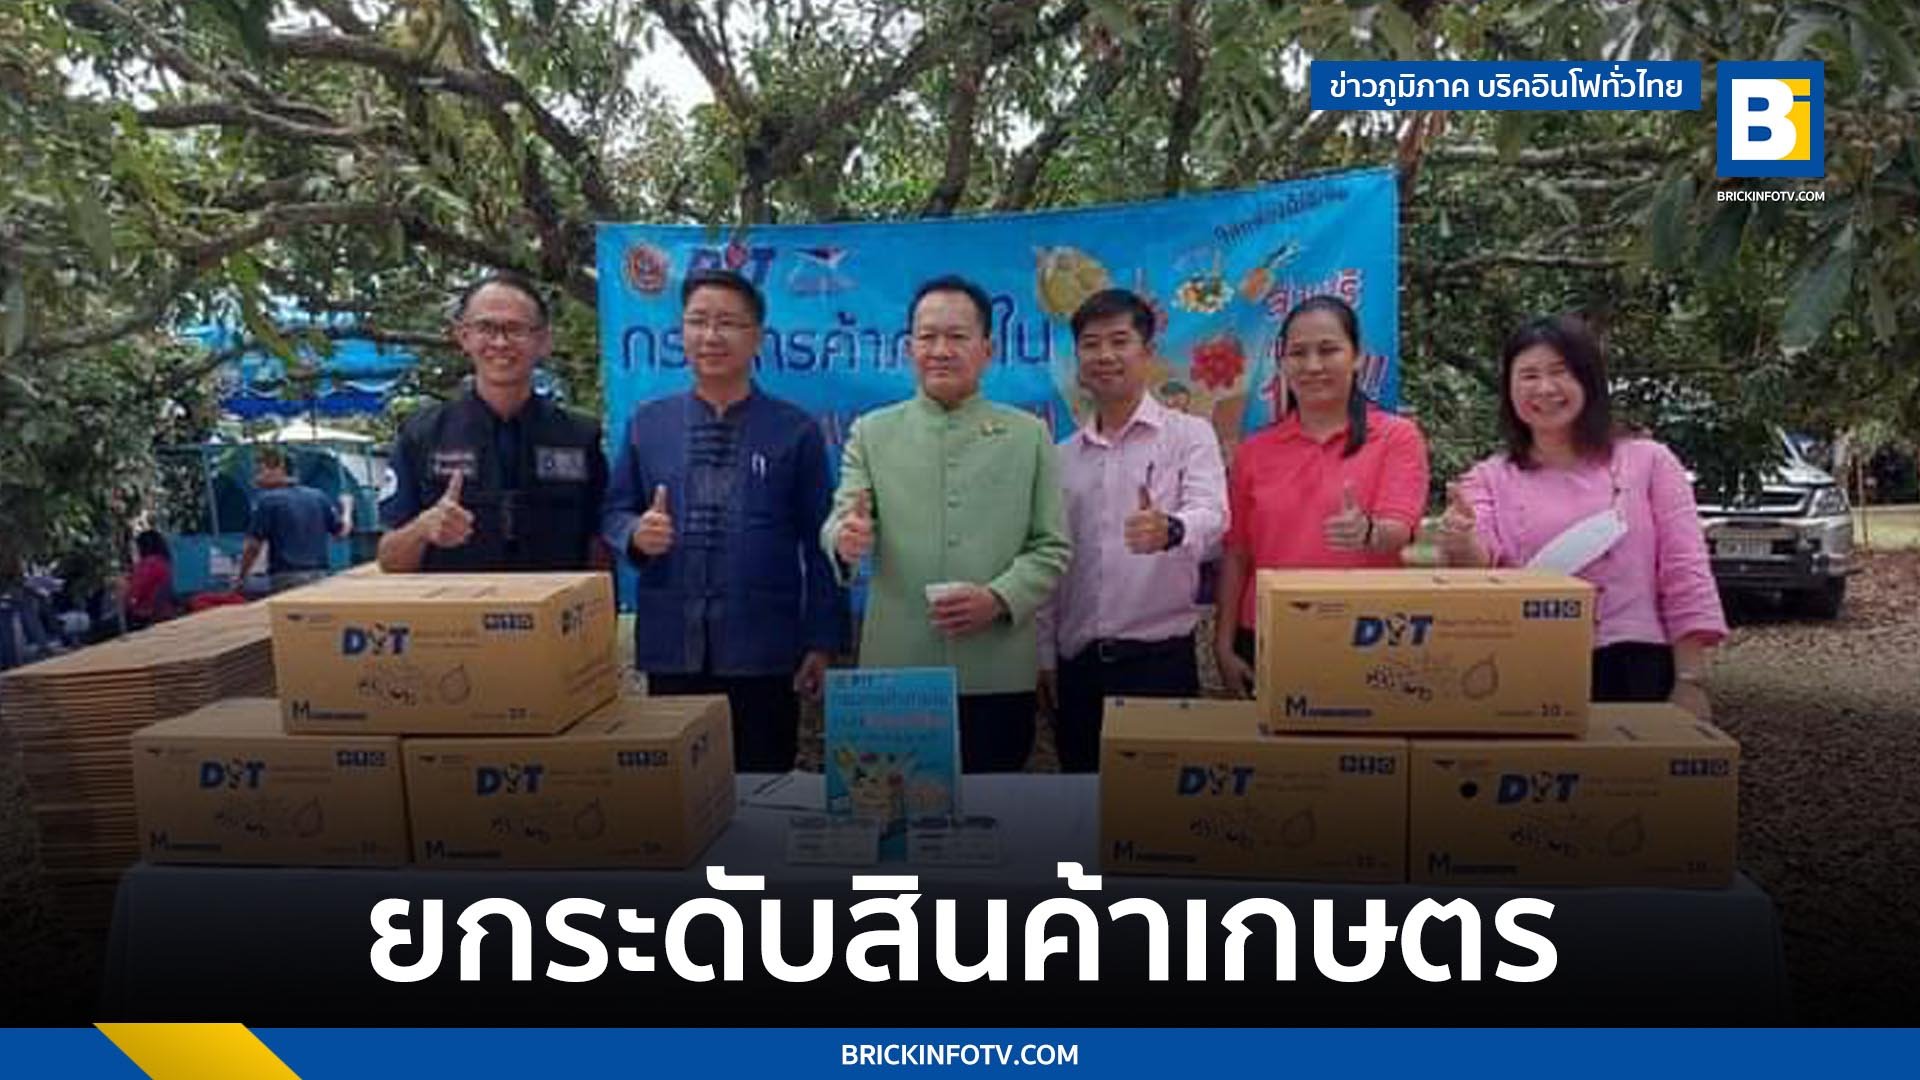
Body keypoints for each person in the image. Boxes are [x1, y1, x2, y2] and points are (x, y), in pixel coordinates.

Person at [601, 269, 848, 773]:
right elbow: (613, 512)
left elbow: (822, 540)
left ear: (757, 338)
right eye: (698, 321)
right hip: (674, 645)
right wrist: (636, 535)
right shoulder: (648, 424)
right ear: (681, 333)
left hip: (765, 650)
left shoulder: (794, 430)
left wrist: (822, 641)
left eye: (728, 323)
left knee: (764, 789)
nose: (711, 336)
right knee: (679, 790)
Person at [823, 275, 1072, 772]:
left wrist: (998, 598)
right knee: (891, 810)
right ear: (908, 348)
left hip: (997, 671)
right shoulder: (872, 432)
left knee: (994, 808)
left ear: (988, 349)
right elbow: (842, 517)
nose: (940, 350)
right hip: (897, 674)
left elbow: (1052, 547)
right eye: (927, 336)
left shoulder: (1028, 435)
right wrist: (844, 539)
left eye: (957, 336)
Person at [1437, 315, 1725, 717]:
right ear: (1509, 389)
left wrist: (1690, 681)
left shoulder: (1649, 462)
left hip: (1635, 665)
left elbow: (1685, 572)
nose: (1545, 388)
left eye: (1560, 372)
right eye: (1529, 375)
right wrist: (1461, 539)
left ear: (1589, 380)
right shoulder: (1488, 477)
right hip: (1528, 665)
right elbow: (1480, 562)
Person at [1038, 289, 1227, 772]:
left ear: (1148, 352)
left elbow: (1213, 516)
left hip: (1159, 665)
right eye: (1091, 344)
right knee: (1080, 803)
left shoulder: (1190, 435)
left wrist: (1172, 529)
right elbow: (1050, 562)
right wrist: (1044, 655)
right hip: (1079, 667)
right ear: (1078, 359)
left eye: (1119, 341)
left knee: (1158, 808)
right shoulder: (1060, 458)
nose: (1104, 355)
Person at [1214, 295, 1431, 696]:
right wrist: (1223, 645)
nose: (1312, 365)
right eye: (1298, 353)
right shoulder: (1254, 451)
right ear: (1282, 363)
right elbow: (1237, 554)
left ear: (1357, 357)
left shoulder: (1397, 437)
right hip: (1266, 634)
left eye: (1328, 350)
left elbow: (1398, 530)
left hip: (1366, 636)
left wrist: (1368, 532)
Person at [378, 272, 608, 572]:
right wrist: (423, 529)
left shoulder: (581, 437)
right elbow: (389, 559)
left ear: (544, 341)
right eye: (485, 328)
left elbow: (601, 551)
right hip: (456, 602)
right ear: (464, 337)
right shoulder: (421, 435)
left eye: (515, 329)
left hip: (552, 601)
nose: (500, 342)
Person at [233, 446, 348, 593]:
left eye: (260, 471)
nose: (255, 478)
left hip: (286, 578)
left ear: (279, 469)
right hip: (320, 576)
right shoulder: (318, 496)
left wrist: (242, 576)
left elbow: (253, 546)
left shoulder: (268, 501)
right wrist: (347, 509)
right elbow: (341, 533)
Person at [126, 530, 177, 628]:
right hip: (163, 611)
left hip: (144, 615)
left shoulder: (148, 564)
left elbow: (135, 594)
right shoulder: (163, 562)